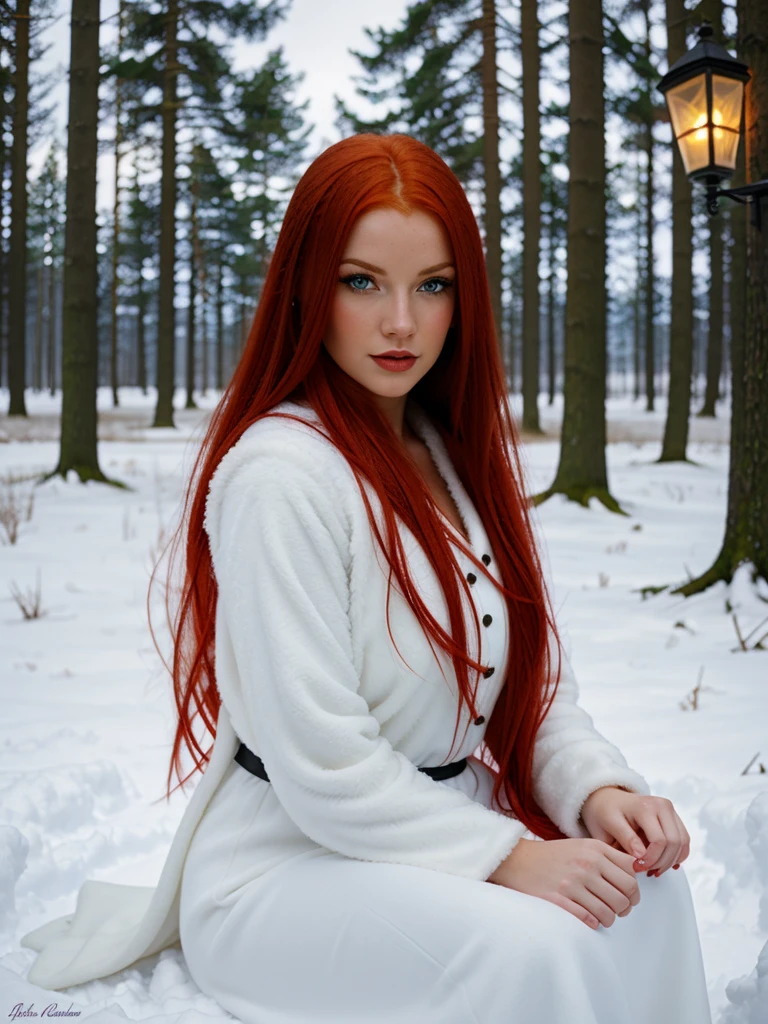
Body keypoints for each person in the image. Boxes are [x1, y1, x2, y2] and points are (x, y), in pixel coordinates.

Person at [21, 133, 712, 1024]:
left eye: (433, 285)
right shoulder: (280, 477)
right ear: (309, 286)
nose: (401, 322)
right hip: (287, 866)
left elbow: (531, 689)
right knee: (544, 943)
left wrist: (600, 792)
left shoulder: (444, 454)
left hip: (433, 839)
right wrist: (509, 857)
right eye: (363, 282)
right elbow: (324, 763)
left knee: (650, 901)